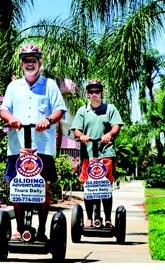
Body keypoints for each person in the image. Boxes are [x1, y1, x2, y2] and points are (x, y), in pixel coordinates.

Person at [0, 43, 67, 241]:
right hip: (17, 145)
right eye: (26, 61)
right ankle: (19, 229)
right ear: (22, 63)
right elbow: (4, 109)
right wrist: (10, 118)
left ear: (40, 62)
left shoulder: (50, 85)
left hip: (42, 146)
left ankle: (43, 230)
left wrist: (48, 120)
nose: (30, 64)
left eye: (33, 61)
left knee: (42, 186)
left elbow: (59, 110)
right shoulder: (14, 86)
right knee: (17, 186)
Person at [71, 79, 123, 228]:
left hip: (106, 153)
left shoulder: (110, 109)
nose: (94, 94)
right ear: (87, 94)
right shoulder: (83, 111)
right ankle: (88, 218)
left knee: (105, 186)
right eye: (91, 91)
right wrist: (81, 136)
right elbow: (76, 129)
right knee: (89, 186)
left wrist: (109, 134)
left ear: (101, 93)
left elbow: (116, 126)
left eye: (97, 91)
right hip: (88, 155)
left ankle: (107, 218)